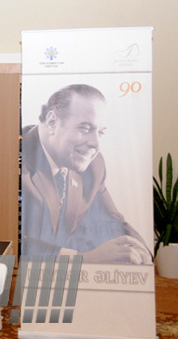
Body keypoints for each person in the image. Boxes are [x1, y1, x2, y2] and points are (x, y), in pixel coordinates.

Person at [21, 83, 152, 264]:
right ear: (52, 122)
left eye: (101, 132)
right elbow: (11, 239)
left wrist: (140, 252)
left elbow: (112, 222)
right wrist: (81, 259)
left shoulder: (93, 166)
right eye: (85, 129)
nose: (96, 144)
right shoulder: (12, 157)